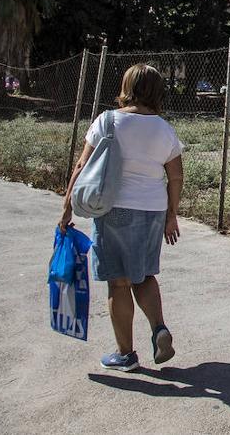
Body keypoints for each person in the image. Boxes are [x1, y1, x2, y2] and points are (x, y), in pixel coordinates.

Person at [59, 63, 183, 372]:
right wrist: (171, 215)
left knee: (118, 282)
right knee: (144, 274)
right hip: (153, 210)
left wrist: (67, 207)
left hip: (114, 208)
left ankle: (125, 354)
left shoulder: (108, 121)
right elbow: (176, 176)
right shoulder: (164, 129)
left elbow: (81, 166)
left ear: (127, 87)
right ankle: (159, 328)